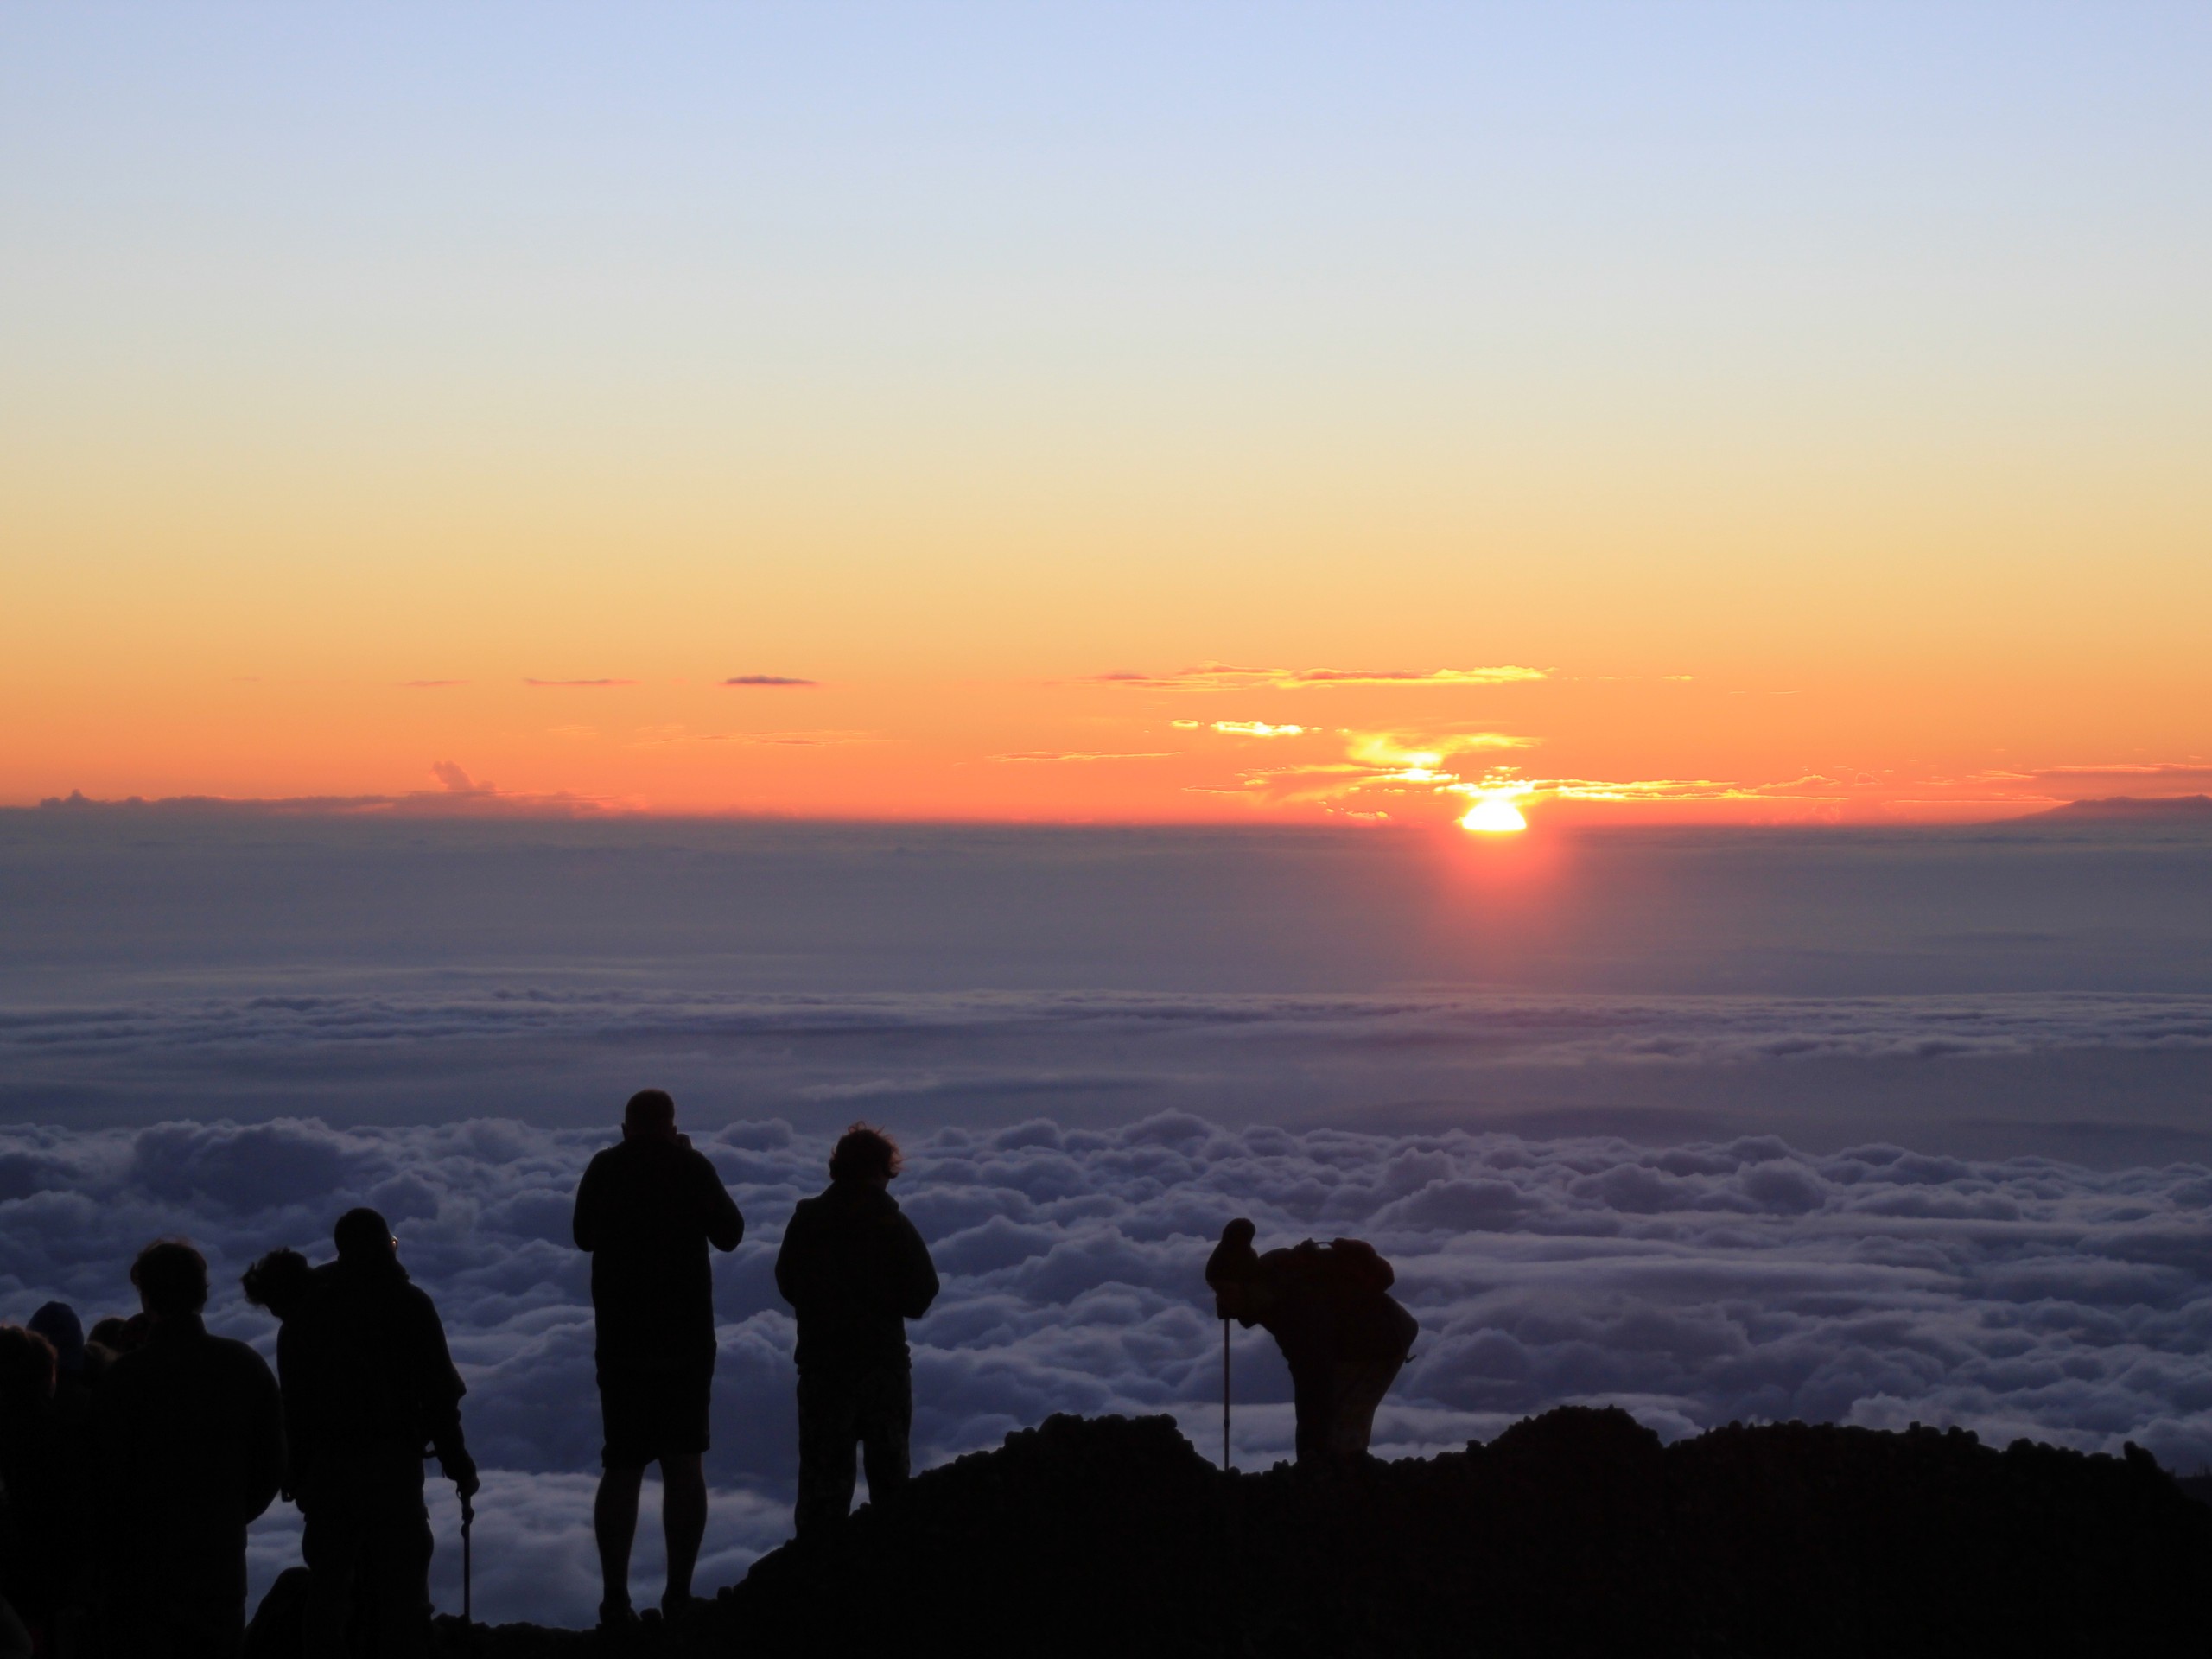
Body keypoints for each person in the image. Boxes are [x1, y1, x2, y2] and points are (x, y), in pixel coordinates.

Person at [572, 1090, 744, 1627]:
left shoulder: (606, 1166)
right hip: (686, 1343)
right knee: (684, 1465)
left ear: (626, 1128)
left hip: (622, 1344)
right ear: (672, 1126)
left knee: (622, 1465)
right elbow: (731, 1235)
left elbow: (583, 1237)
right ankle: (677, 1595)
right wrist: (687, 1162)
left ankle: (615, 1600)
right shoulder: (690, 1165)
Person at [279, 1210, 476, 1659]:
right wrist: (460, 1466)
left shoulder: (306, 1313)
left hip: (327, 1474)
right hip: (392, 1470)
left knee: (328, 1592)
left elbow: (294, 1404)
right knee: (404, 1594)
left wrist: (296, 1473)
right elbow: (440, 1399)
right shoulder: (409, 1304)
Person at [92, 1239, 285, 1658]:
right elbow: (272, 1467)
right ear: (202, 1293)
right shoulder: (245, 1366)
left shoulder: (125, 1379)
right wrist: (226, 1512)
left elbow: (103, 1478)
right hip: (219, 1567)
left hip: (140, 1575)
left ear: (146, 1297)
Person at [775, 1123, 939, 1536]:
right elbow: (922, 1292)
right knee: (891, 1486)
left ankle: (816, 1582)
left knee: (821, 1490)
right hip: (882, 1368)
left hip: (822, 1369)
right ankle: (888, 1579)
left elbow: (787, 1281)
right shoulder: (892, 1225)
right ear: (883, 1170)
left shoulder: (807, 1221)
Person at [1205, 1220, 1418, 1465]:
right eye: (1216, 1291)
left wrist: (1309, 1453)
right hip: (1365, 1335)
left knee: (1340, 1428)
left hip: (1382, 1342)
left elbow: (1313, 1382)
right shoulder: (1268, 1277)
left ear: (1244, 1284)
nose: (1220, 1300)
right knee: (1332, 1426)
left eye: (1223, 1290)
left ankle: (1340, 1484)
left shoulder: (1295, 1310)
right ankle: (1336, 1476)